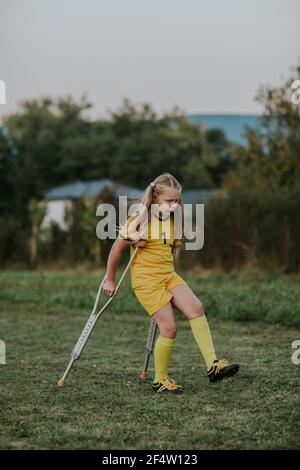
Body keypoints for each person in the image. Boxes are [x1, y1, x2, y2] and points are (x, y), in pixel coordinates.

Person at [102, 173, 239, 394]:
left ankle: (213, 366)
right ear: (156, 198)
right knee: (170, 328)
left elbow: (170, 249)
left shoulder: (173, 220)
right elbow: (116, 250)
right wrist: (110, 279)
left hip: (168, 275)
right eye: (169, 201)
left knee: (196, 308)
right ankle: (160, 379)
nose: (174, 205)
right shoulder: (139, 219)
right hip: (146, 281)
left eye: (177, 201)